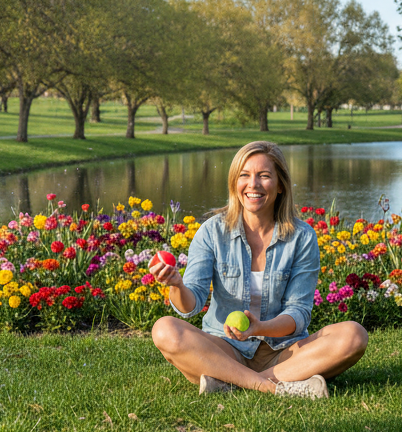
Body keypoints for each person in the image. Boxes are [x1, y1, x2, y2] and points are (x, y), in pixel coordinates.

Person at [150, 140, 367, 399]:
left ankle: (230, 381)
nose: (253, 184)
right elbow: (190, 305)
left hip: (284, 352)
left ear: (280, 184)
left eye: (264, 176)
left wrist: (259, 328)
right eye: (244, 175)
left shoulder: (302, 237)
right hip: (225, 349)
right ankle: (274, 386)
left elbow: (298, 313)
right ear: (235, 182)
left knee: (354, 335)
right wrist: (177, 285)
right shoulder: (212, 231)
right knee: (164, 329)